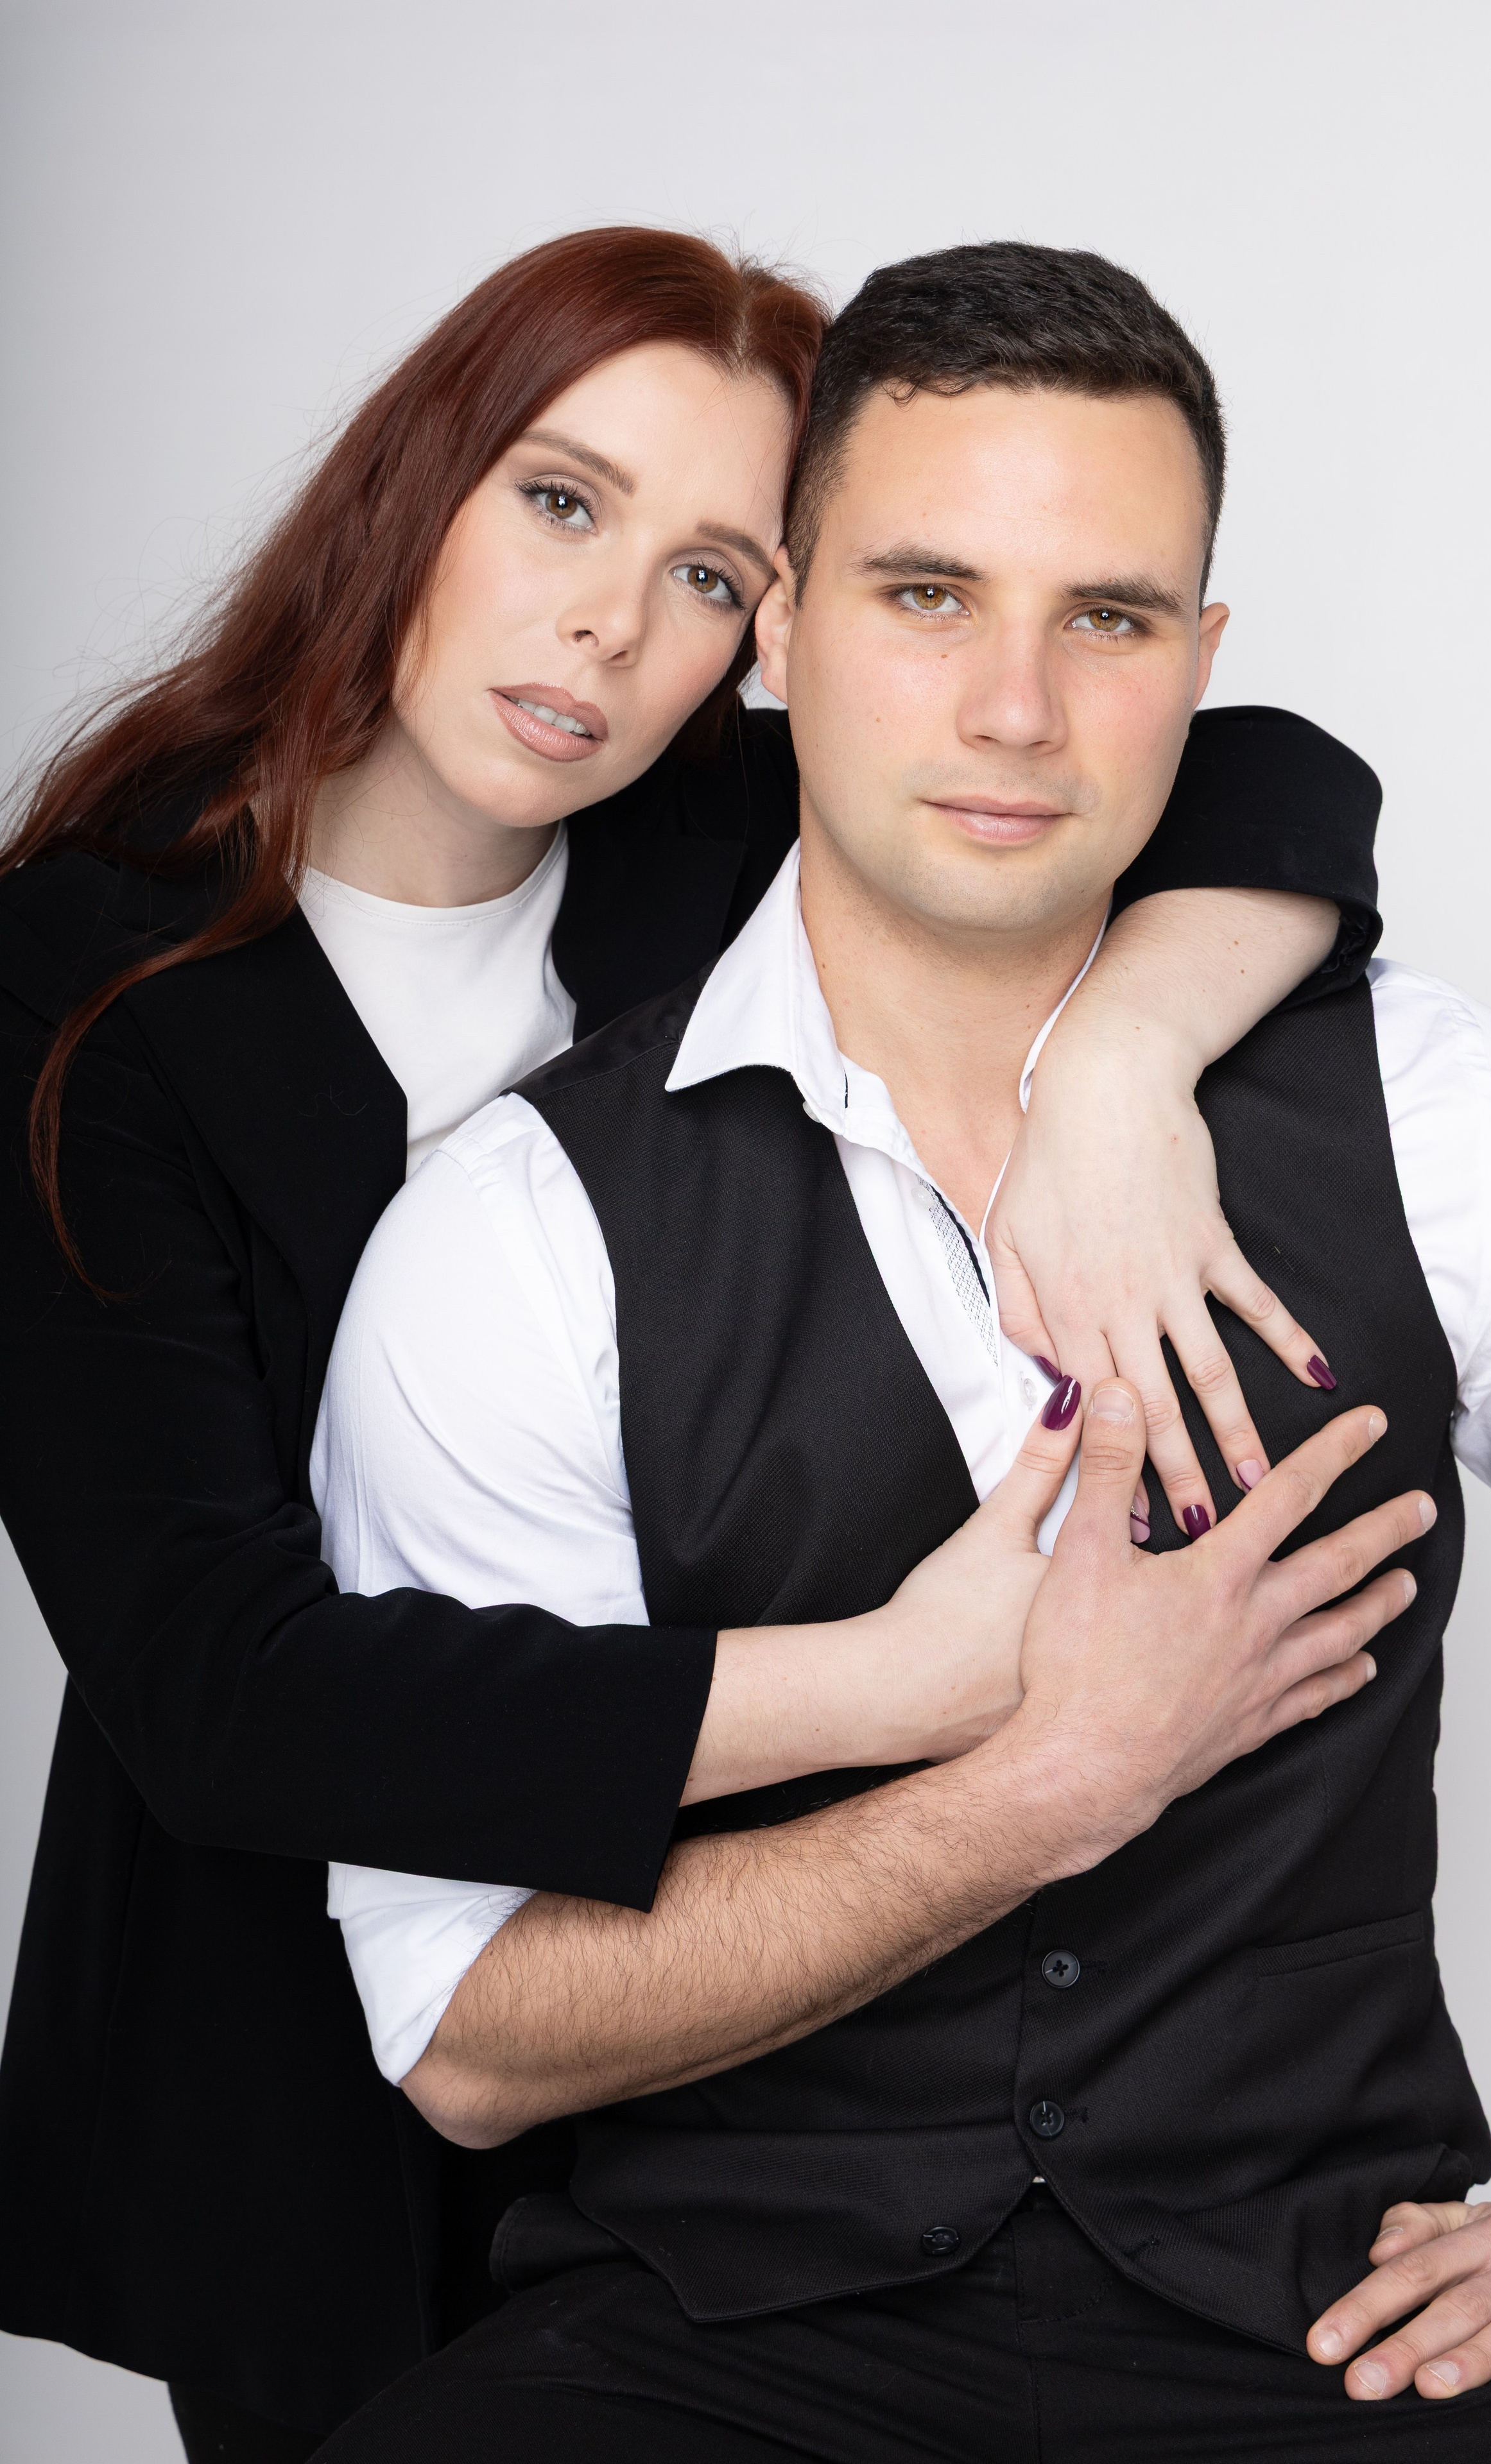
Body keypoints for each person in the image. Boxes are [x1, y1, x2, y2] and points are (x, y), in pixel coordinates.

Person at [0, 227, 1384, 2459]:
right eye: (561, 502)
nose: (613, 627)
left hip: (736, 2048)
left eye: (719, 573)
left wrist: (1126, 1072)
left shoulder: (723, 843)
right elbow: (217, 1689)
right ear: (412, 483)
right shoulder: (84, 981)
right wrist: (921, 1689)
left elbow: (1266, 779)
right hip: (291, 2053)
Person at [310, 242, 1491, 2461]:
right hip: (719, 2358)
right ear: (788, 625)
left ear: (1199, 663)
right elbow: (464, 2028)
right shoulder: (518, 1231)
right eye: (928, 596)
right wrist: (1037, 1787)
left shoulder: (1435, 1110)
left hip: (1342, 2337)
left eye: (1106, 620)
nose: (1017, 709)